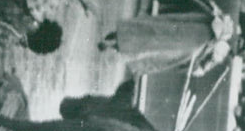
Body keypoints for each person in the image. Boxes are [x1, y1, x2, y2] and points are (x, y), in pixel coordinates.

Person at [99, 5, 234, 78]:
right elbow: (196, 66)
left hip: (178, 37)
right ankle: (114, 43)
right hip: (179, 43)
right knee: (148, 47)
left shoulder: (206, 21)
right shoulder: (207, 42)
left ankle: (114, 41)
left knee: (148, 37)